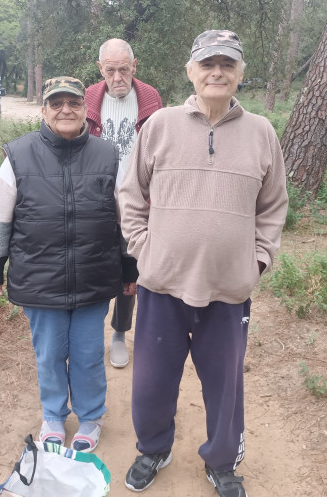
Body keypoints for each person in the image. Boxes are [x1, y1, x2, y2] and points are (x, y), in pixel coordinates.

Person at [118, 31, 288, 497]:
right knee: (152, 382)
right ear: (190, 72)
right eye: (207, 64)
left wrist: (257, 259)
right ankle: (153, 448)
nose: (217, 72)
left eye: (227, 64)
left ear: (240, 74)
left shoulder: (262, 133)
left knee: (225, 387)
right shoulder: (160, 125)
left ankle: (221, 462)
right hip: (162, 285)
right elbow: (130, 193)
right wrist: (142, 247)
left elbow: (273, 206)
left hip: (229, 291)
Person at [0, 76, 138, 453]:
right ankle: (52, 415)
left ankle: (90, 417)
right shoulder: (18, 155)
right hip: (39, 278)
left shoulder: (108, 155)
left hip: (94, 275)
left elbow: (125, 218)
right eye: (57, 103)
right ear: (44, 110)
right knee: (49, 353)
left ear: (87, 109)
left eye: (73, 102)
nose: (65, 109)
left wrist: (129, 268)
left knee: (87, 354)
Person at [84, 38, 163, 368]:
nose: (118, 78)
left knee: (132, 272)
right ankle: (90, 337)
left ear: (135, 67)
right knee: (94, 268)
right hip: (97, 201)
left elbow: (161, 148)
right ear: (100, 68)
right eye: (111, 70)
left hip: (136, 202)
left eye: (124, 70)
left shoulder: (150, 99)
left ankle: (119, 334)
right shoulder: (88, 97)